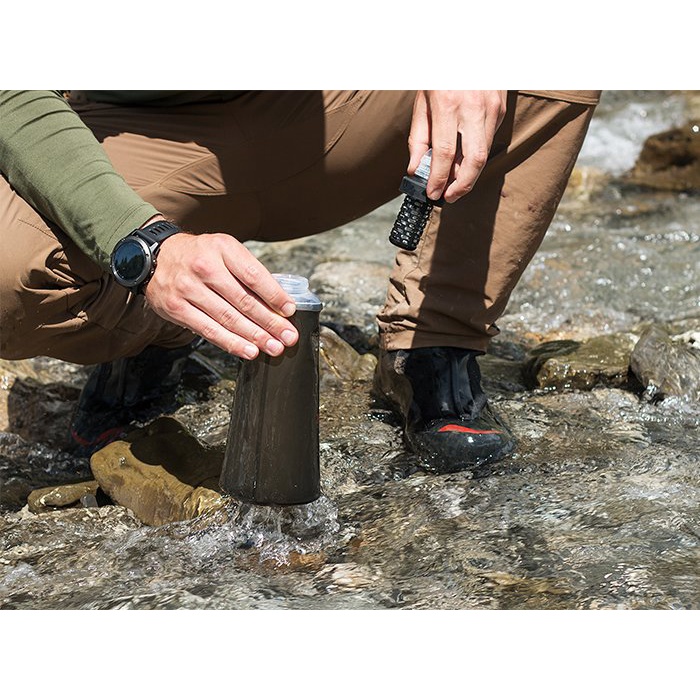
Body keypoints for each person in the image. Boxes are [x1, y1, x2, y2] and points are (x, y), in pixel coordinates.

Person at [0, 90, 600, 470]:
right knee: (10, 278)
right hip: (131, 128)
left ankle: (434, 346)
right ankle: (158, 324)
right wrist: (143, 247)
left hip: (336, 109)